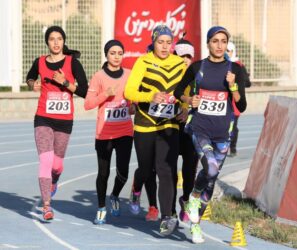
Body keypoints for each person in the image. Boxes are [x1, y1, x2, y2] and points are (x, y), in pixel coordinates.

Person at [174, 26, 247, 243]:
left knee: (211, 180)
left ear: (227, 44)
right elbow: (178, 91)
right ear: (208, 43)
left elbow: (241, 105)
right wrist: (189, 101)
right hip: (200, 128)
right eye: (215, 41)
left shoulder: (235, 69)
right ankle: (193, 200)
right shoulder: (197, 67)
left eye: (223, 41)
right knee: (211, 168)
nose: (219, 45)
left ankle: (195, 224)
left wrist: (233, 86)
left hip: (223, 133)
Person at [124, 25, 187, 235]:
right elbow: (129, 90)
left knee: (166, 169)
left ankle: (167, 216)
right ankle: (137, 184)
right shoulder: (143, 61)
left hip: (169, 123)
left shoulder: (179, 64)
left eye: (169, 43)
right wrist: (150, 95)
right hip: (145, 122)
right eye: (161, 42)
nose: (165, 46)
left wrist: (185, 109)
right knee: (146, 169)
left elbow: (187, 90)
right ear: (154, 42)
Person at [26, 26, 88, 221]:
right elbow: (29, 77)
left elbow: (84, 91)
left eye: (59, 38)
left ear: (63, 41)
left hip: (64, 121)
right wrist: (32, 84)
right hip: (43, 118)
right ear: (47, 42)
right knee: (45, 160)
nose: (55, 42)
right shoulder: (40, 61)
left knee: (57, 165)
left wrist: (65, 82)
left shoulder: (72, 63)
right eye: (52, 39)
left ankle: (55, 179)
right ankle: (46, 205)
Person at [84, 40, 134, 225]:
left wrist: (133, 106)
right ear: (106, 55)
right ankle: (101, 208)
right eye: (112, 53)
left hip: (125, 131)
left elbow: (133, 99)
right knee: (103, 173)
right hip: (104, 133)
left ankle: (114, 195)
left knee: (124, 172)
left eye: (120, 53)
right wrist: (106, 94)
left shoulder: (129, 75)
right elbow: (88, 104)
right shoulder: (99, 77)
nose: (116, 56)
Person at [172, 38, 199, 222]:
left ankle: (186, 200)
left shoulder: (199, 76)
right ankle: (169, 210)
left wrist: (188, 108)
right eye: (181, 55)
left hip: (192, 129)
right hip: (171, 128)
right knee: (169, 171)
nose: (185, 59)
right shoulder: (170, 75)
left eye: (188, 56)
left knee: (190, 170)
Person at [226, 41, 251, 157]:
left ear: (233, 51)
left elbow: (247, 82)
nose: (227, 53)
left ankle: (233, 149)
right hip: (222, 100)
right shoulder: (219, 63)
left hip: (234, 101)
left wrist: (235, 84)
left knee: (233, 126)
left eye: (228, 51)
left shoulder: (239, 65)